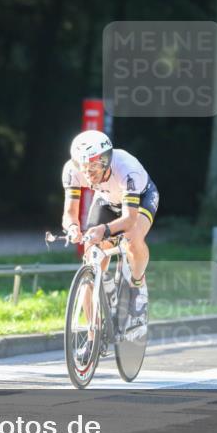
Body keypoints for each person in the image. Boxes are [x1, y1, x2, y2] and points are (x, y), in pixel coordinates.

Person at [61, 130, 159, 362]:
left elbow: (129, 219)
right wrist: (73, 228)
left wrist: (103, 230)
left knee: (133, 238)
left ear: (106, 161)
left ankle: (136, 285)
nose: (89, 174)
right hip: (106, 200)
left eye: (94, 168)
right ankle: (93, 337)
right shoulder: (72, 171)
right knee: (92, 257)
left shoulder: (127, 168)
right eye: (84, 168)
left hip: (139, 200)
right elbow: (69, 214)